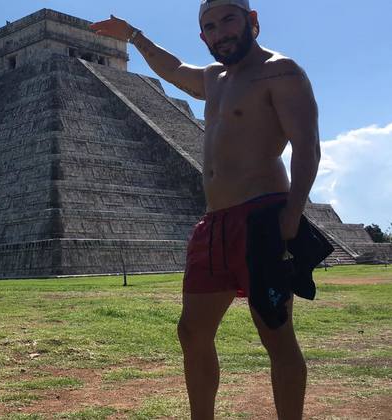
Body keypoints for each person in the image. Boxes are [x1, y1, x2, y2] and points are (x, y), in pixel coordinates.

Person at [90, 1, 320, 419]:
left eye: (228, 20)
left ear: (252, 21)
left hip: (262, 216)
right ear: (203, 36)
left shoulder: (280, 71)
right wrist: (135, 36)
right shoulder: (215, 78)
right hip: (213, 222)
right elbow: (174, 68)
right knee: (192, 331)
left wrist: (291, 215)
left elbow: (307, 146)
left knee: (276, 334)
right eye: (210, 27)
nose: (220, 32)